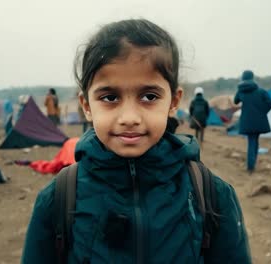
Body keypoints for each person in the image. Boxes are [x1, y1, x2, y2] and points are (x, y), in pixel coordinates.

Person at [22, 19, 251, 263]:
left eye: (149, 96)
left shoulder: (211, 194)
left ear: (173, 102)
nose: (129, 118)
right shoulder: (58, 199)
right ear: (87, 106)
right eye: (110, 97)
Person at [234, 70, 271, 173]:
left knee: (252, 142)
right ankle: (251, 166)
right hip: (259, 121)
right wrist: (263, 111)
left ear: (243, 78)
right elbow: (270, 102)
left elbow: (235, 101)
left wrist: (239, 91)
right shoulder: (260, 91)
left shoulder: (241, 91)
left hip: (247, 121)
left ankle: (251, 166)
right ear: (252, 78)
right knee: (254, 142)